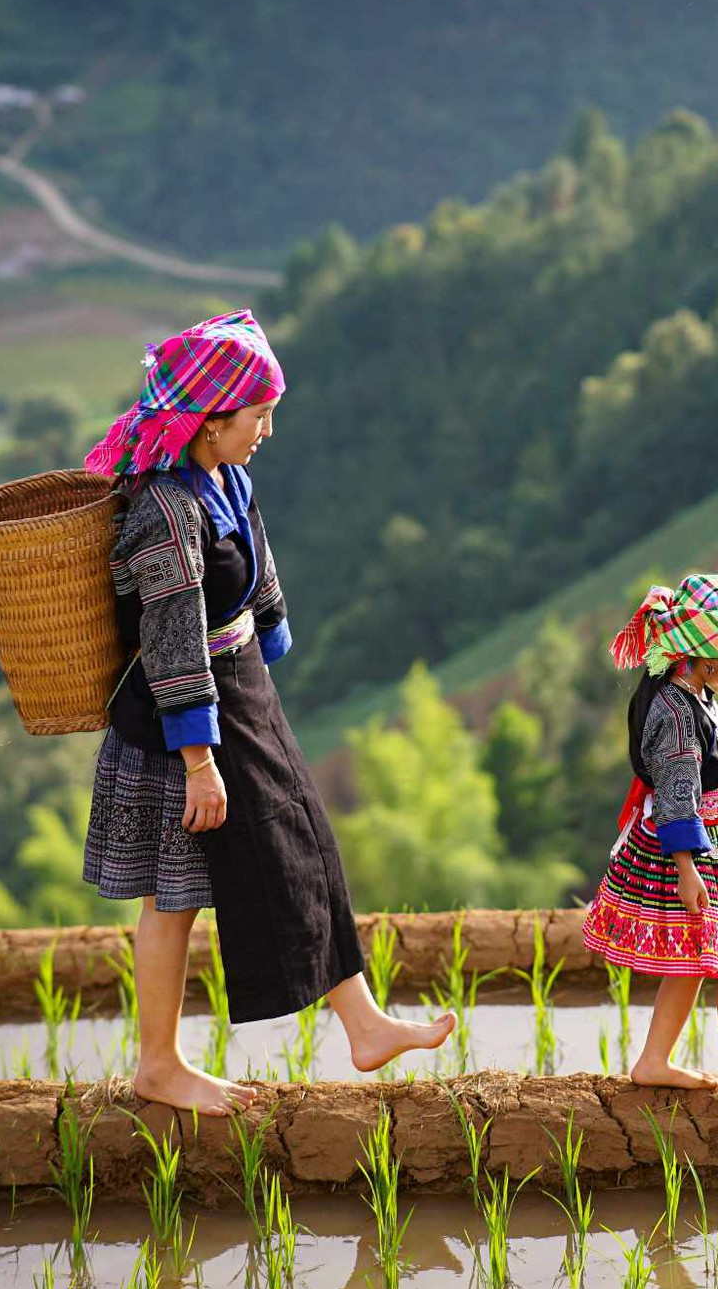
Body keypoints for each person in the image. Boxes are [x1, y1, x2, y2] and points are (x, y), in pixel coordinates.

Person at [81, 309, 453, 1116]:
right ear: (210, 422)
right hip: (180, 720)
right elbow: (173, 634)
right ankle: (159, 1065)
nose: (267, 430)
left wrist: (271, 635)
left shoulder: (223, 479)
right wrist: (199, 761)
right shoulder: (161, 510)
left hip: (240, 691)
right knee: (172, 892)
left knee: (304, 841)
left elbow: (254, 564)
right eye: (258, 416)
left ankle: (362, 1023)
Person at [580, 574, 718, 1100]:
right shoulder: (676, 713)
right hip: (695, 854)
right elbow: (679, 794)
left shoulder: (686, 693)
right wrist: (687, 869)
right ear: (712, 657)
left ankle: (659, 1060)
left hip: (713, 847)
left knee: (699, 959)